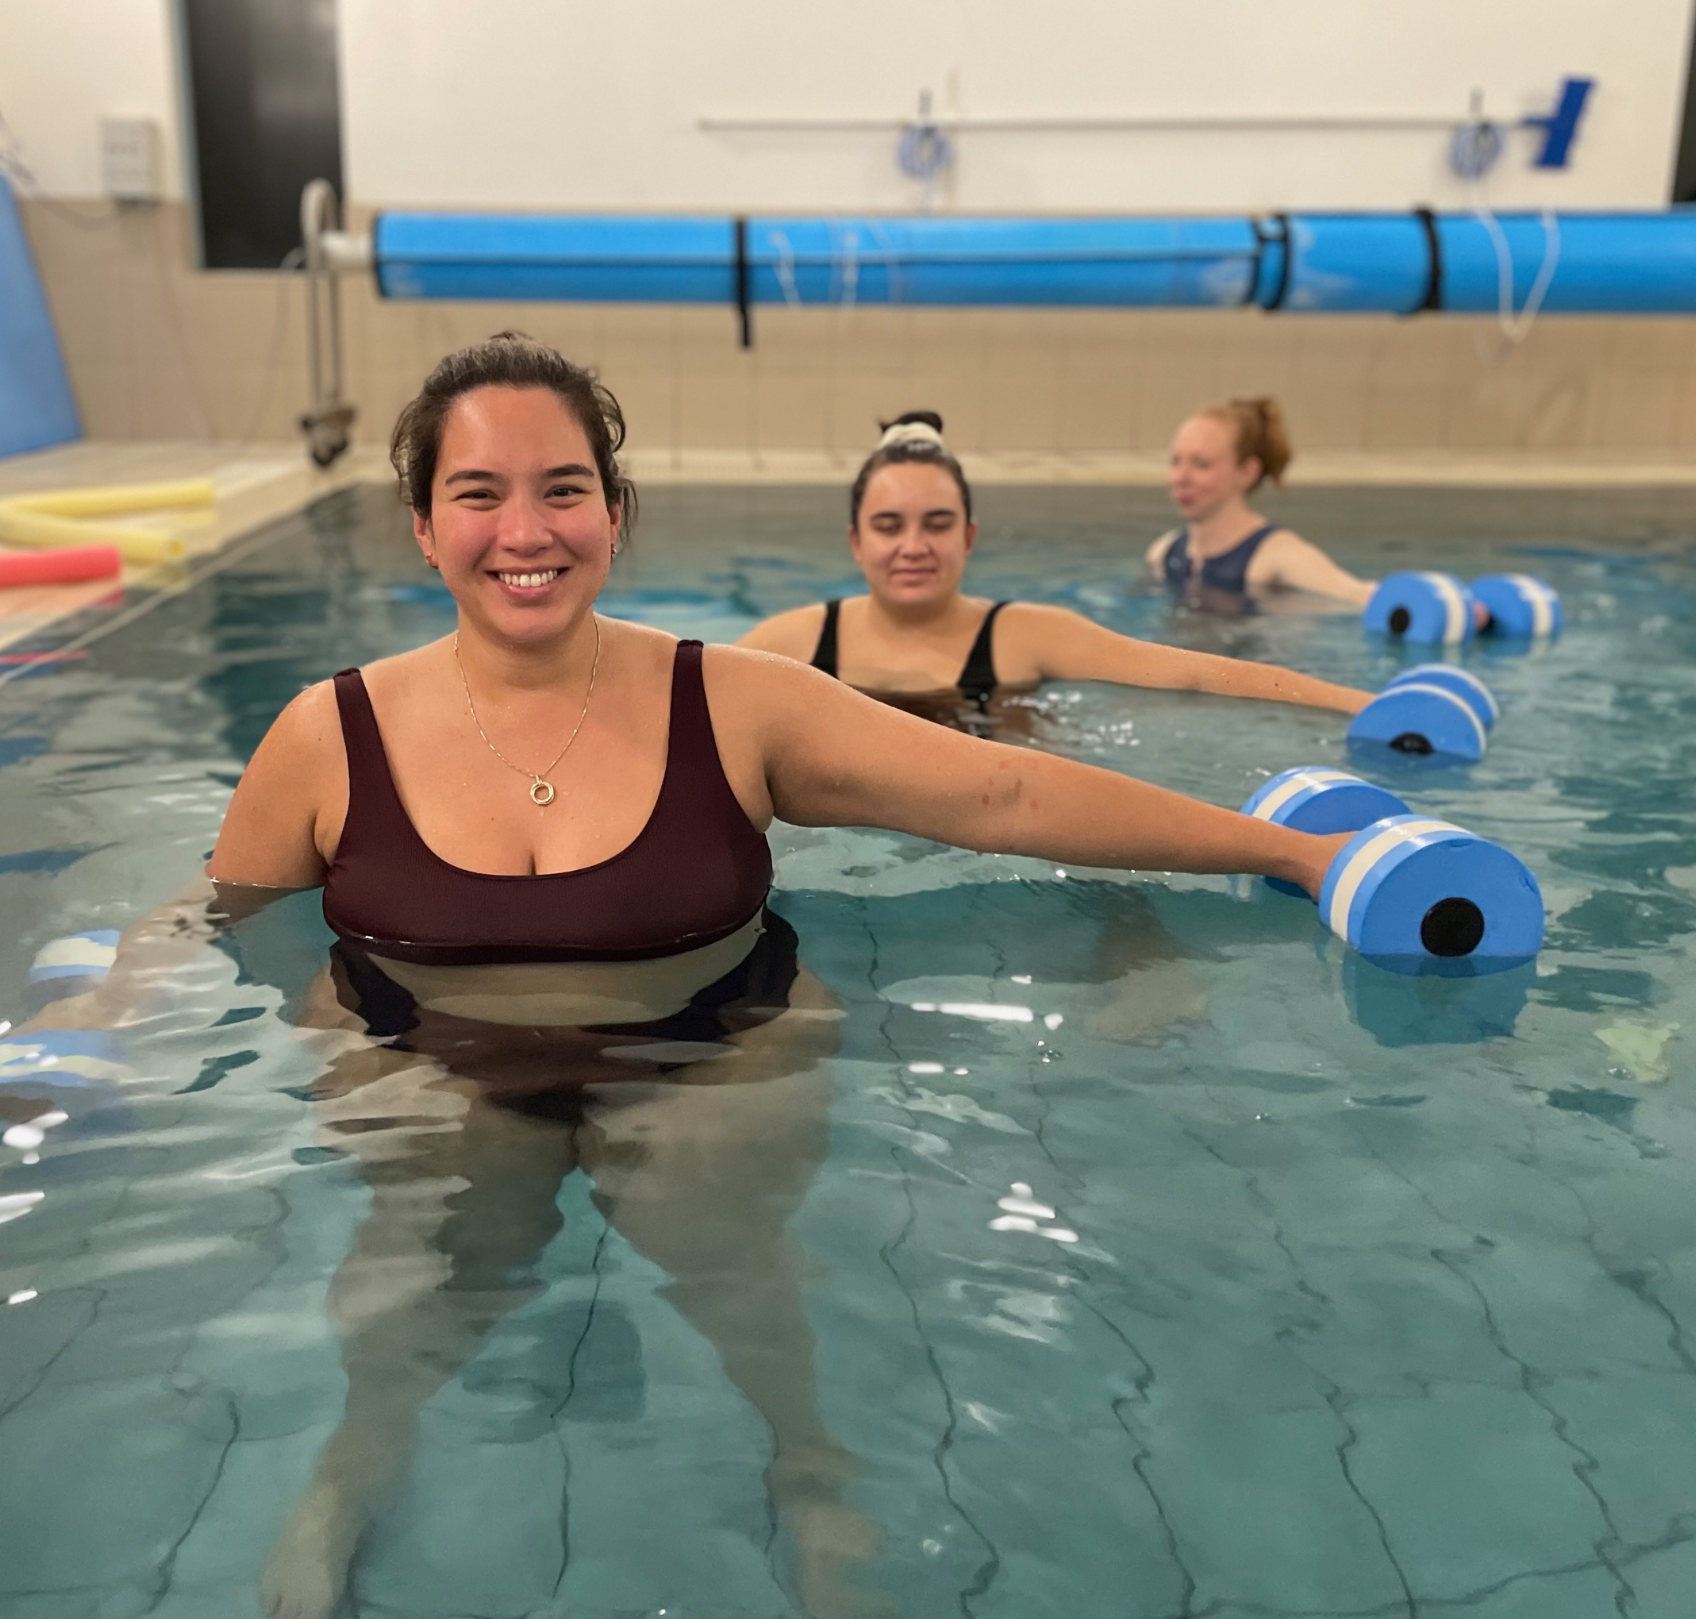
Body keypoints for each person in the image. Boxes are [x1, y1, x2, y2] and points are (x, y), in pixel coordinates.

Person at [203, 333, 1349, 1619]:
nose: (525, 529)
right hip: (423, 1053)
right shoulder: (327, 732)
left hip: (713, 1043)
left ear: (614, 512)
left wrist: (1294, 852)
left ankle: (811, 1471)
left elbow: (1004, 792)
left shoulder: (735, 701)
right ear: (422, 525)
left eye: (563, 488)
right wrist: (96, 1009)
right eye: (478, 492)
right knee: (408, 1279)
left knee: (733, 1263)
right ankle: (347, 1475)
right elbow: (220, 913)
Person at [740, 411, 1371, 717]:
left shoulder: (1027, 636)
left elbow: (1190, 673)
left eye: (937, 524)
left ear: (969, 536)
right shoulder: (793, 643)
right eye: (888, 526)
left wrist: (1356, 703)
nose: (913, 546)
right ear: (855, 542)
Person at [1146, 397, 1378, 608]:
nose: (1181, 478)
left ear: (1247, 472)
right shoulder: (1164, 553)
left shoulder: (1277, 557)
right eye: (1175, 461)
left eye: (1201, 464)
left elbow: (1358, 594)